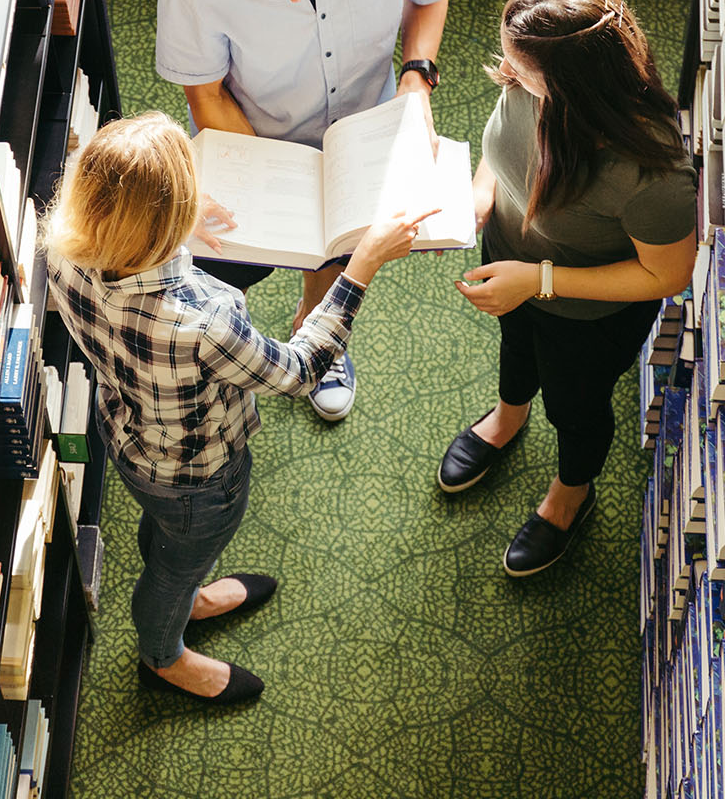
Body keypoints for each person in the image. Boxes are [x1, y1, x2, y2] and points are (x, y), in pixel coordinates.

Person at [42, 111, 434, 703]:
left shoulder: (64, 248)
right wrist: (361, 267)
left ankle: (187, 591)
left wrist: (164, 222)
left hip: (124, 433)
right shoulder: (204, 318)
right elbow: (299, 371)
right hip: (198, 476)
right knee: (175, 563)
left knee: (168, 538)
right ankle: (162, 655)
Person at [154, 0, 453, 421]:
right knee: (213, 270)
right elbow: (208, 96)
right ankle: (225, 353)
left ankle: (317, 326)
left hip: (363, 127)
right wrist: (277, 181)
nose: (296, 0)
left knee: (339, 249)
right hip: (252, 139)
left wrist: (416, 78)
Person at [437, 0, 697, 577]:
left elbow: (667, 274)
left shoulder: (649, 173)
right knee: (517, 347)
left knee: (576, 404)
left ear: (570, 85)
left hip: (588, 309)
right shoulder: (530, 82)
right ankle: (508, 415)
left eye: (517, 65)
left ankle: (571, 494)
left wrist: (539, 281)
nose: (505, 71)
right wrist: (481, 197)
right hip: (512, 265)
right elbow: (500, 152)